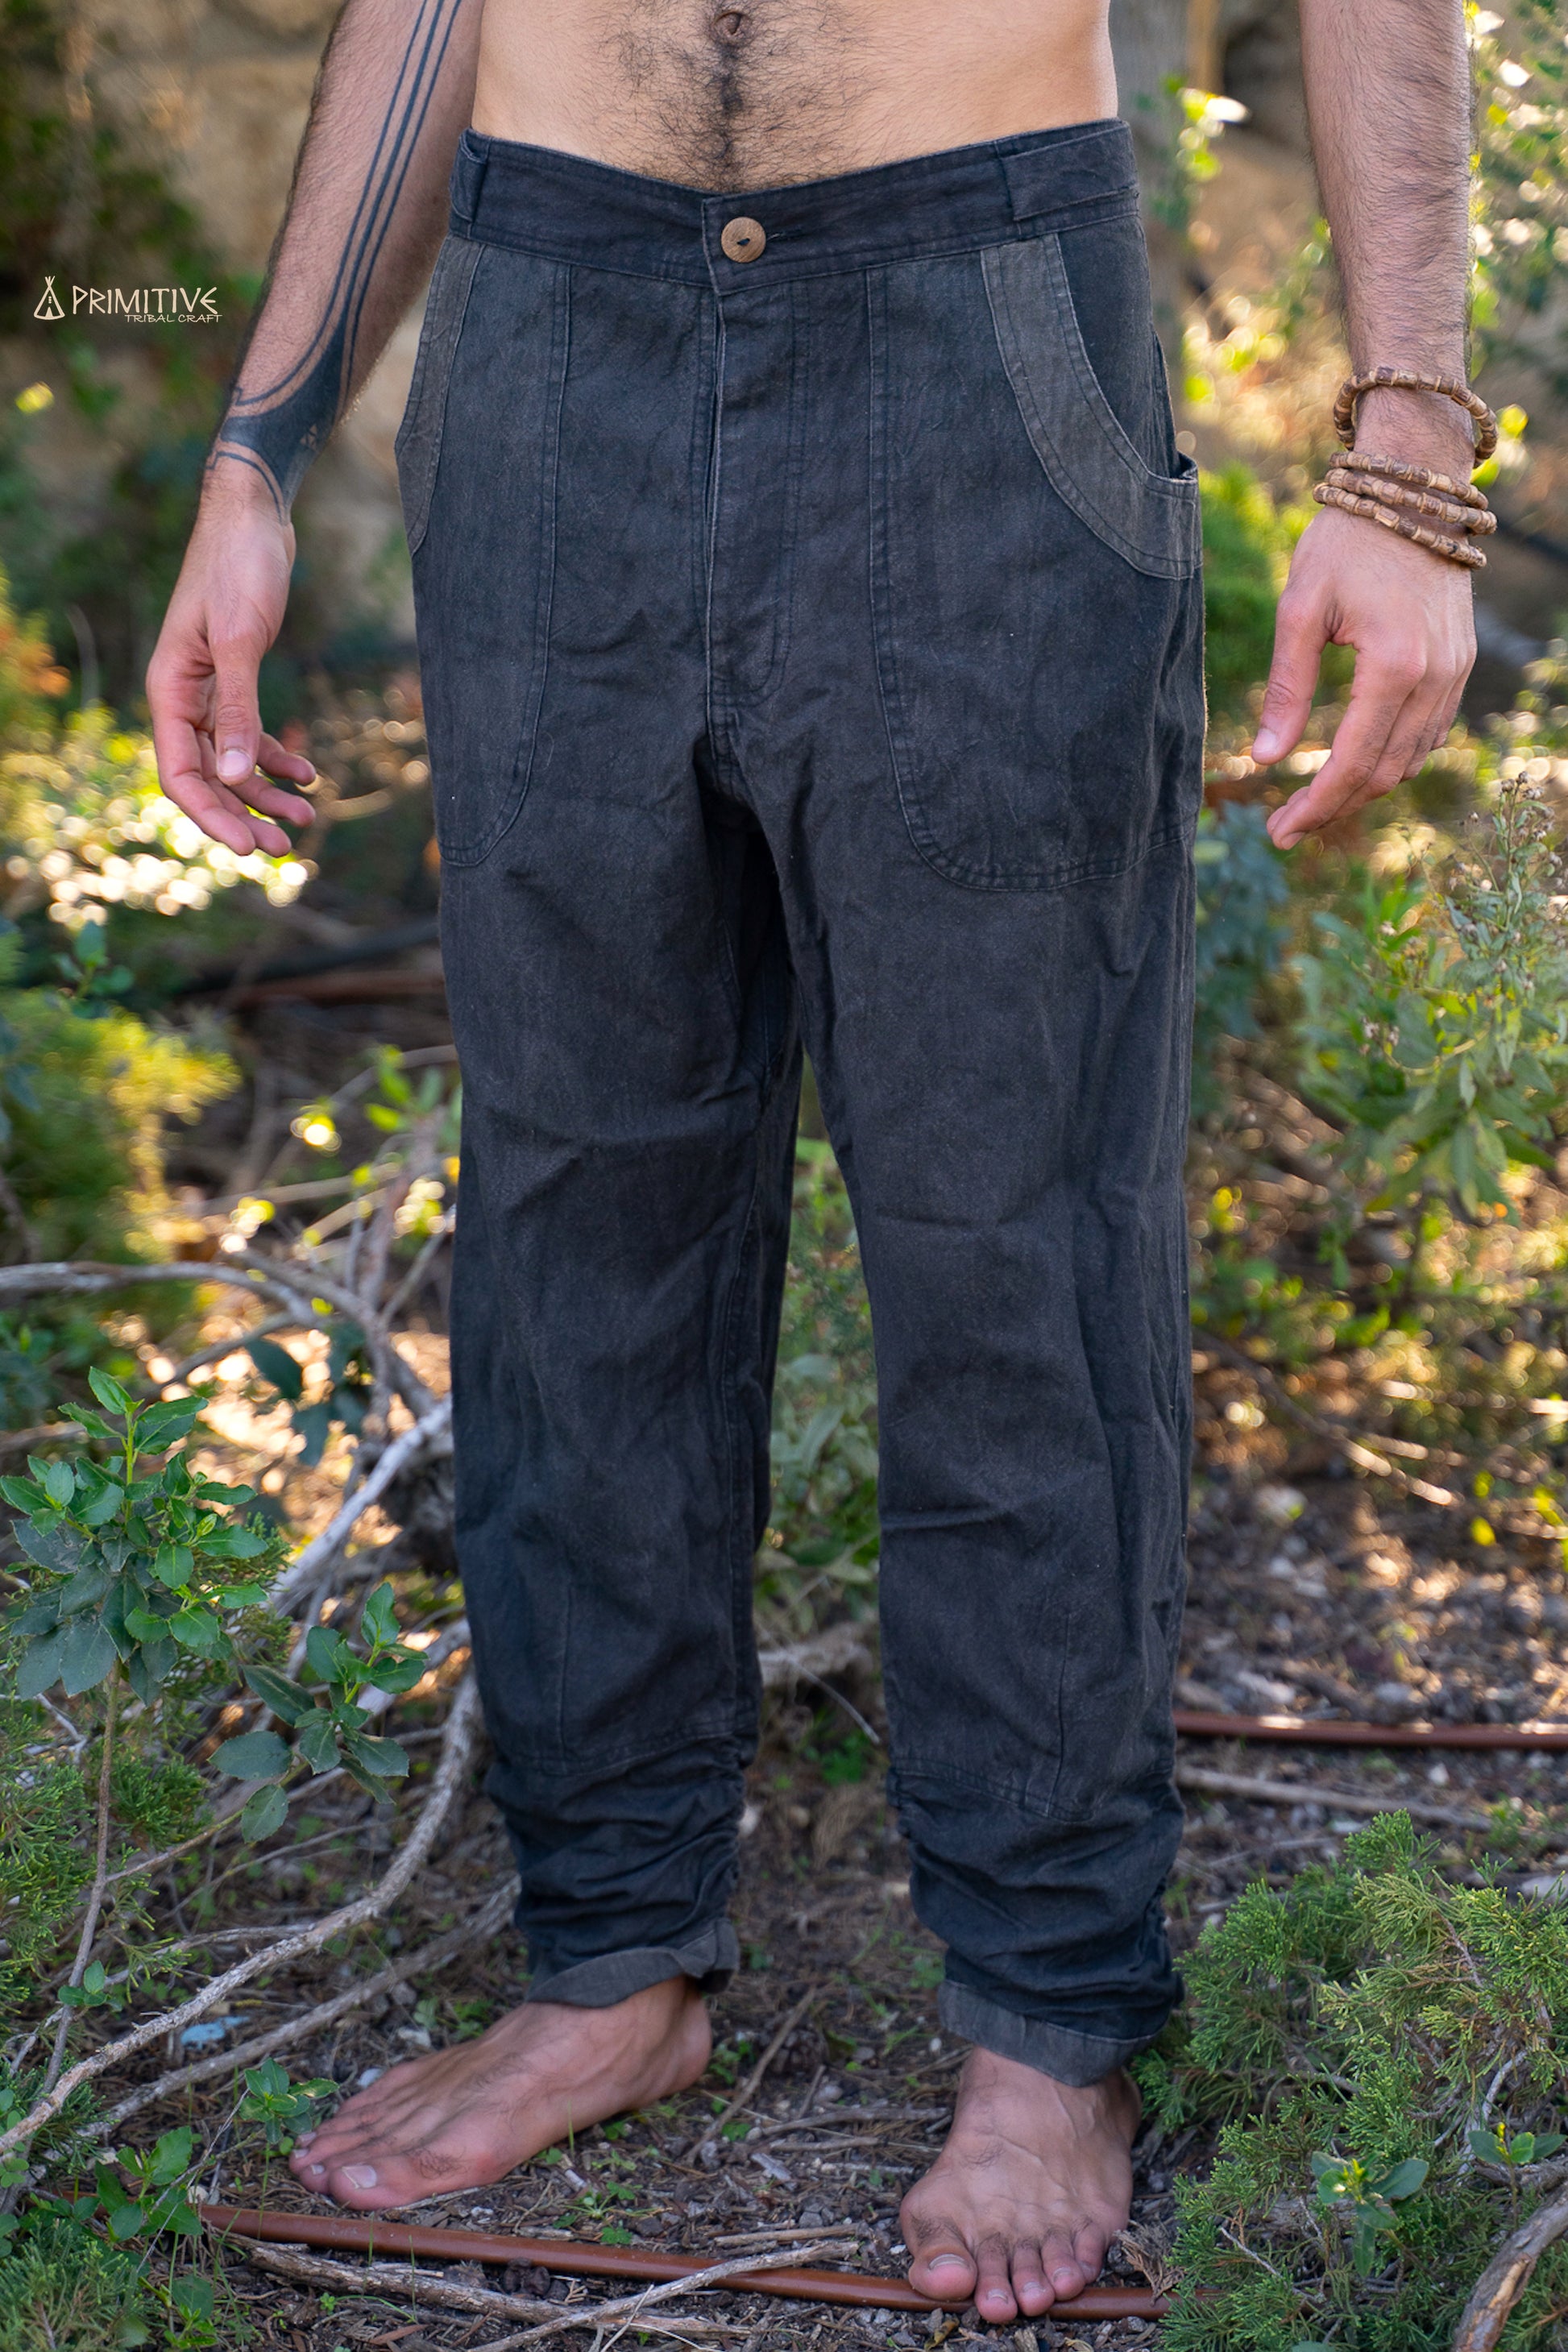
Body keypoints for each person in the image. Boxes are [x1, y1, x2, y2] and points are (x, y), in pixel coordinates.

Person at [147, 0, 1478, 2320]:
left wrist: (1411, 450)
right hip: (546, 335)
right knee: (578, 1212)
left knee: (1012, 1222)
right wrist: (256, 450)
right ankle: (608, 1959)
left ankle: (1049, 2012)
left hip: (972, 326)